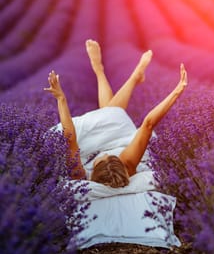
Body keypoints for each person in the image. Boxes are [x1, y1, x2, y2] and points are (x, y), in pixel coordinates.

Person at [44, 39, 187, 187]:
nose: (105, 153)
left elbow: (69, 137)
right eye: (111, 156)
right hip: (121, 136)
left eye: (102, 157)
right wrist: (177, 91)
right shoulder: (127, 164)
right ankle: (109, 72)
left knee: (110, 112)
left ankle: (111, 72)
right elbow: (148, 125)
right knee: (110, 113)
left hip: (107, 132)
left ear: (93, 173)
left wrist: (61, 99)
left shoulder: (79, 174)